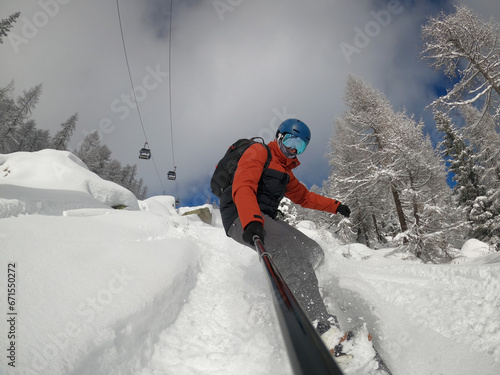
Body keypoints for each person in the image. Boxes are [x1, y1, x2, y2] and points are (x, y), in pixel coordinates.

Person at [219, 118, 351, 337]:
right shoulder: (258, 151)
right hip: (240, 214)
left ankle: (299, 284)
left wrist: (335, 206)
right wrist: (251, 220)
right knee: (290, 250)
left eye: (299, 146)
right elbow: (244, 184)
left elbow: (305, 197)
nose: (292, 149)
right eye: (290, 141)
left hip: (263, 219)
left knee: (312, 250)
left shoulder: (285, 172)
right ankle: (319, 325)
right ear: (279, 136)